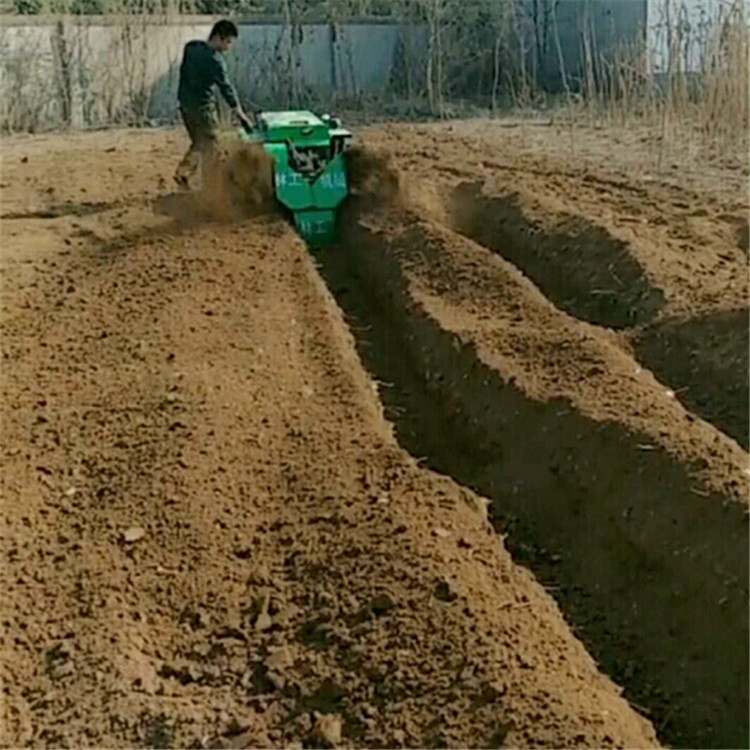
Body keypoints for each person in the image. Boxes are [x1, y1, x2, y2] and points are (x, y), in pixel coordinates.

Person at [174, 19, 253, 187]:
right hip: (203, 108)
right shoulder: (216, 61)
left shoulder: (191, 48)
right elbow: (227, 88)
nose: (228, 47)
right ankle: (201, 182)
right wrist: (240, 113)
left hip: (185, 105)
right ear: (218, 37)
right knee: (211, 143)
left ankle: (189, 177)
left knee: (200, 142)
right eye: (228, 42)